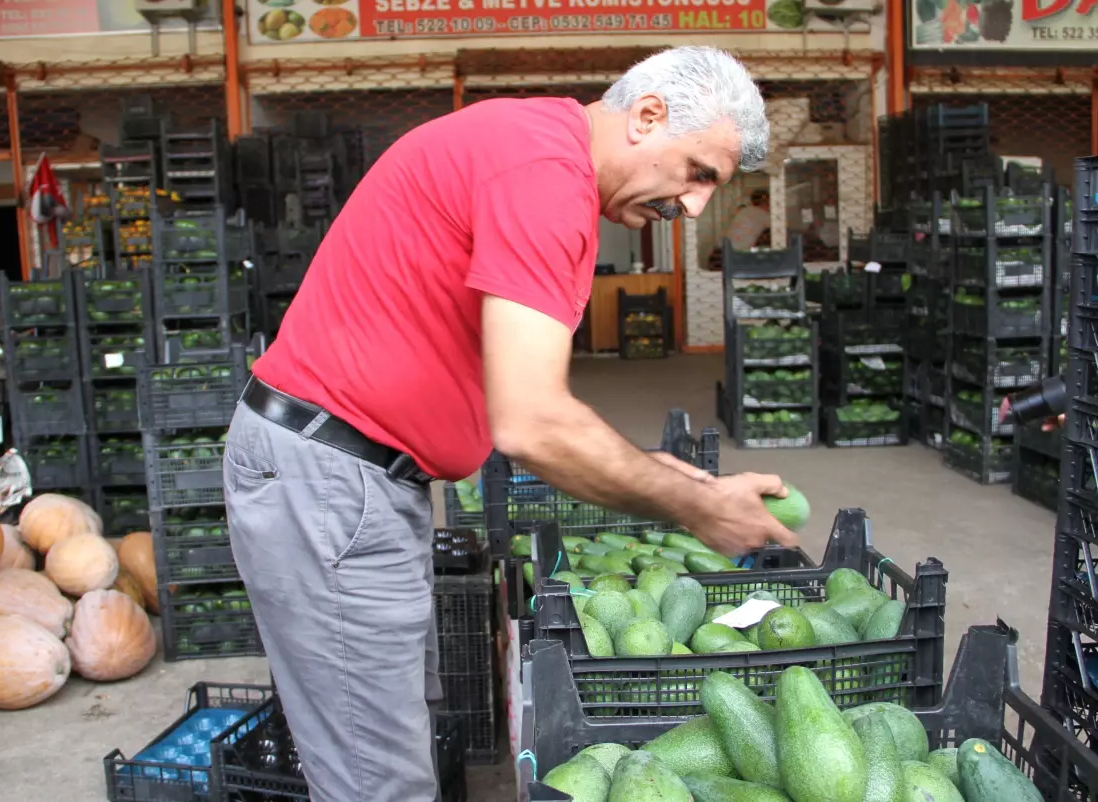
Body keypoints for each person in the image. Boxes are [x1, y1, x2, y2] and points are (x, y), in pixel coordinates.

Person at [222, 46, 797, 802]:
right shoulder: (542, 175)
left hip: (349, 477)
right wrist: (693, 504)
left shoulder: (539, 155)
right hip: (329, 480)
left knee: (388, 743)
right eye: (698, 173)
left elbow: (517, 394)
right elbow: (533, 421)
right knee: (375, 782)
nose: (693, 207)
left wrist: (673, 476)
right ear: (648, 115)